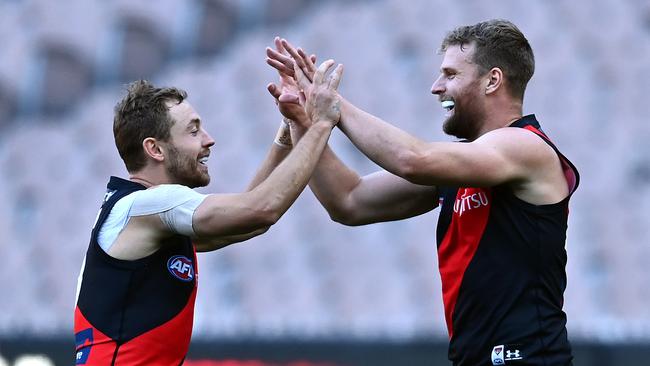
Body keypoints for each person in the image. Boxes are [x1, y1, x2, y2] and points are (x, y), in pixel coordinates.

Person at [266, 19, 579, 366]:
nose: (435, 87)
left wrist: (334, 105)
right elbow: (349, 201)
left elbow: (411, 159)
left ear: (492, 80)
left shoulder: (524, 146)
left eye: (450, 74)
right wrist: (302, 120)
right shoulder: (464, 165)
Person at [74, 73, 342, 365]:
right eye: (193, 131)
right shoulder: (151, 205)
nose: (209, 140)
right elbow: (262, 208)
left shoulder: (140, 215)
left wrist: (289, 134)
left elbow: (252, 220)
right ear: (155, 149)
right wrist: (321, 124)